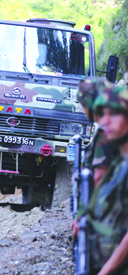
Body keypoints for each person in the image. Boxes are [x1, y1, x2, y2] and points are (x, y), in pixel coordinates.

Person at [77, 85, 128, 274]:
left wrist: (105, 271)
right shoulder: (119, 164)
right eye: (102, 114)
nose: (105, 121)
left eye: (115, 114)